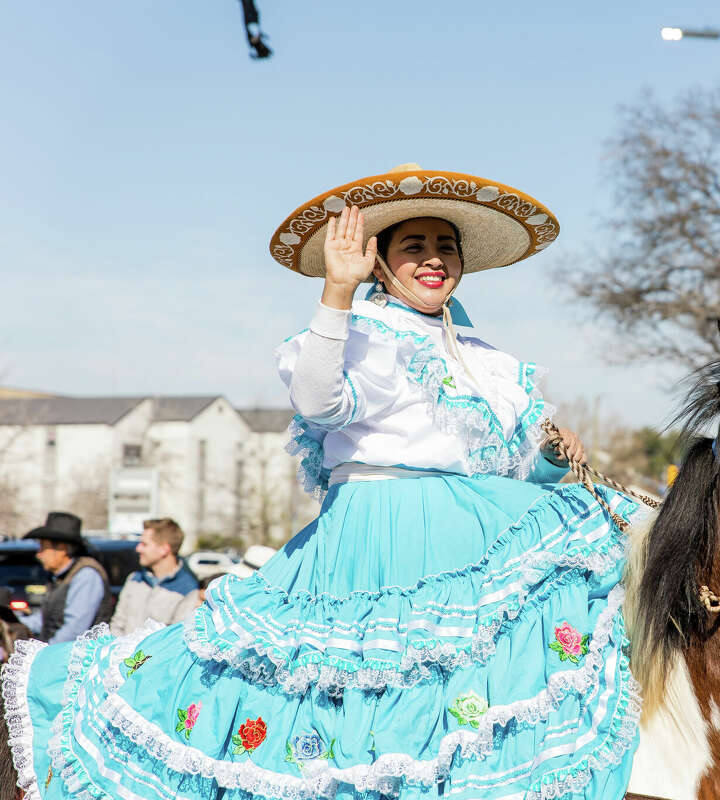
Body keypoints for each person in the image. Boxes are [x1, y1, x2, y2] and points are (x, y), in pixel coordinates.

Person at [2, 165, 639, 800]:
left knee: (462, 707)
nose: (433, 260)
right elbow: (320, 402)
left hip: (469, 535)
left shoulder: (482, 357)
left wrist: (554, 460)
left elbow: (503, 465)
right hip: (375, 538)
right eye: (413, 247)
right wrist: (337, 291)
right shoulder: (364, 333)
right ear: (379, 262)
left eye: (445, 247)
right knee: (333, 703)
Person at [17, 511, 114, 644]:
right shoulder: (59, 577)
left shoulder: (86, 576)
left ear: (62, 549)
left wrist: (46, 654)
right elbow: (45, 621)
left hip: (78, 659)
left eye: (43, 548)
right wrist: (14, 622)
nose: (39, 554)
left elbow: (74, 630)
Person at [108, 518, 201, 636]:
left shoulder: (189, 589)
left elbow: (176, 639)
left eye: (144, 544)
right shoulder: (134, 579)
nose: (138, 549)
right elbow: (117, 625)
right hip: (122, 653)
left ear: (164, 549)